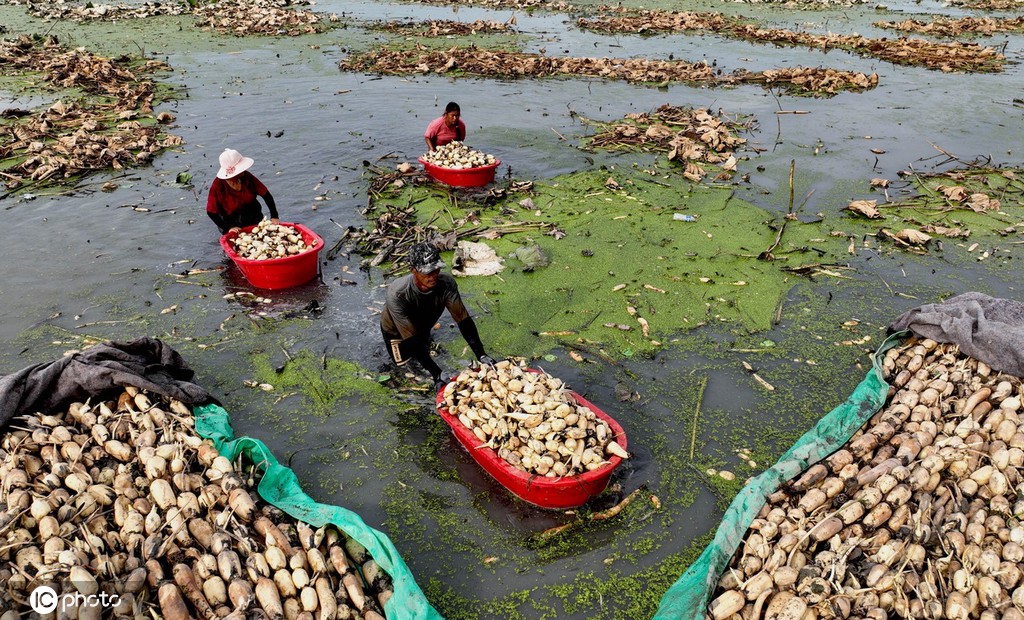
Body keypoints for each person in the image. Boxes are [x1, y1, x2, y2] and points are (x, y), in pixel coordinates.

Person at [380, 242, 495, 392]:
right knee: (407, 370)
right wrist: (437, 374)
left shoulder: (446, 283)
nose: (433, 276)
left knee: (426, 346)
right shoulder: (398, 293)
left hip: (423, 324)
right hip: (397, 331)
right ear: (413, 271)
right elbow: (410, 339)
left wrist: (481, 355)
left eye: (436, 270)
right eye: (427, 273)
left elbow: (463, 319)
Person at [207, 148, 279, 234]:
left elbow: (266, 194)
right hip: (230, 221)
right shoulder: (218, 186)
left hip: (253, 214)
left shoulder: (246, 177)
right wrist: (228, 228)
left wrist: (274, 216)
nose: (243, 170)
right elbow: (211, 212)